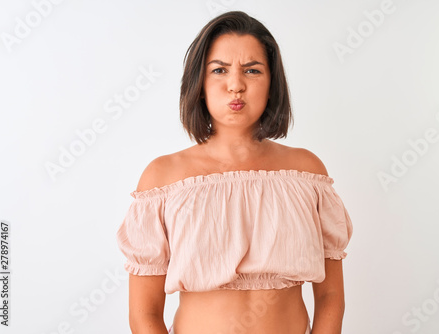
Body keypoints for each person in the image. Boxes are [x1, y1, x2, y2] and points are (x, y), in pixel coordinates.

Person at [116, 10, 353, 334]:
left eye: (252, 70)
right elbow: (145, 314)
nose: (236, 85)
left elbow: (330, 298)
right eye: (219, 70)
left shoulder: (307, 173)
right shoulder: (163, 179)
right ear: (199, 83)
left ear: (272, 83)